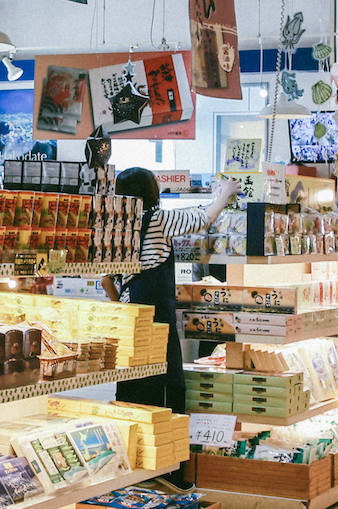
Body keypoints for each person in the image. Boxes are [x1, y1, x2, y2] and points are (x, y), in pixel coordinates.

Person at [101, 169, 237, 413]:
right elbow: (203, 218)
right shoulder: (158, 220)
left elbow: (106, 281)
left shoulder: (118, 226)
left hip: (129, 315)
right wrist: (225, 194)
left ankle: (132, 428)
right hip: (156, 315)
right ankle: (163, 431)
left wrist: (122, 305)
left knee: (132, 380)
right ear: (151, 192)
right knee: (162, 380)